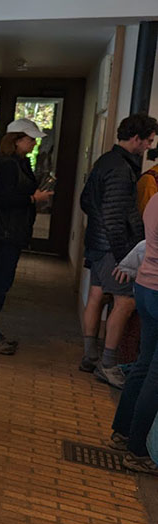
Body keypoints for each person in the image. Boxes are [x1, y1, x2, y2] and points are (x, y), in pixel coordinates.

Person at [80, 113, 158, 386]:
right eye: (148, 141)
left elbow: (86, 202)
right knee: (126, 302)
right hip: (113, 247)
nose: (149, 146)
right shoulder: (121, 168)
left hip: (97, 244)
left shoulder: (105, 161)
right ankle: (108, 364)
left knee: (96, 295)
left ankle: (90, 356)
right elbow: (116, 217)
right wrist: (127, 258)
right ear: (136, 138)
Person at [0, 120, 54, 356]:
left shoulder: (18, 163)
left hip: (11, 229)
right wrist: (32, 199)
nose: (33, 143)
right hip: (7, 230)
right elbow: (4, 198)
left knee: (1, 282)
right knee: (0, 282)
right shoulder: (9, 165)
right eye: (30, 139)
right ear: (17, 140)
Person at [113, 194, 158, 474]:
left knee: (144, 363)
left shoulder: (155, 199)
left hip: (145, 286)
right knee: (155, 372)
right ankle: (138, 450)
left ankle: (124, 431)